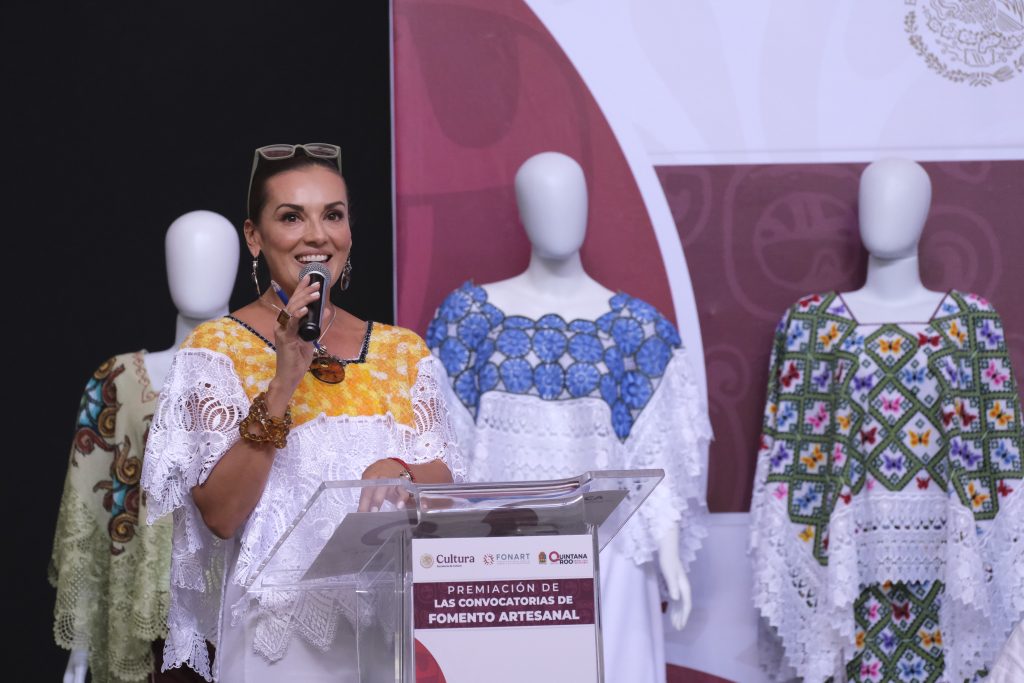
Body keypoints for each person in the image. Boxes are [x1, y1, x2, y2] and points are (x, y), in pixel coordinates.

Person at [140, 144, 463, 682]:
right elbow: (221, 516)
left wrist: (401, 472)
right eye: (292, 217)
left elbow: (451, 484)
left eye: (332, 215)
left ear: (349, 232)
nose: (317, 236)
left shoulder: (402, 351)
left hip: (387, 644)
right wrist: (284, 379)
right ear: (254, 237)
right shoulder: (216, 350)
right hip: (278, 647)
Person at [426, 151, 711, 683]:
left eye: (569, 198)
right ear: (521, 210)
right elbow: (443, 449)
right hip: (497, 557)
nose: (557, 213)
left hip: (611, 559)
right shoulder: (467, 320)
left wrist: (670, 556)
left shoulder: (640, 330)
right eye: (541, 199)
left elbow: (663, 458)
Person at [749, 158, 1023, 682]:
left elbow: (999, 461)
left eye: (902, 197)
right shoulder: (811, 325)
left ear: (926, 211)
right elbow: (790, 456)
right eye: (873, 197)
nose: (885, 211)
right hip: (846, 565)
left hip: (948, 567)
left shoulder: (972, 324)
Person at [51, 210, 237, 683]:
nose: (199, 270)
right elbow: (89, 518)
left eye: (215, 256)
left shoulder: (268, 380)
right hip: (146, 620)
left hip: (238, 613)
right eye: (185, 256)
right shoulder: (116, 382)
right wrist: (80, 650)